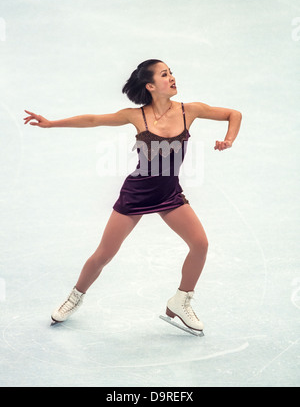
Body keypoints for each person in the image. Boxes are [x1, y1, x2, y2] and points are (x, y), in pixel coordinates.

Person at [24, 59, 242, 334]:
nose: (172, 78)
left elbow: (234, 114)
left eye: (171, 72)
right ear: (150, 86)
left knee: (200, 244)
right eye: (165, 74)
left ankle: (181, 300)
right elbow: (93, 120)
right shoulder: (136, 116)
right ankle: (74, 297)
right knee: (104, 254)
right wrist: (52, 123)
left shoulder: (190, 110)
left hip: (169, 194)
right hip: (136, 195)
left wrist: (229, 139)